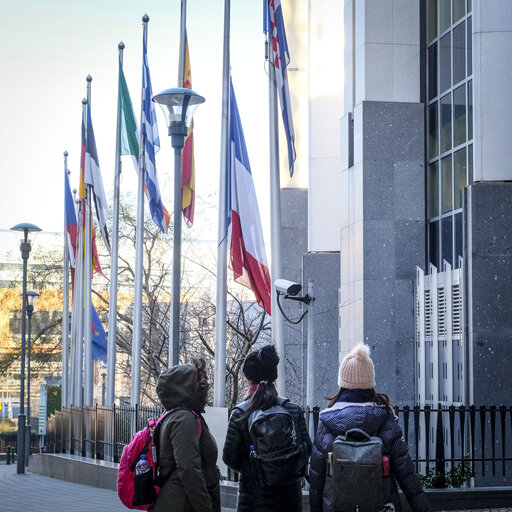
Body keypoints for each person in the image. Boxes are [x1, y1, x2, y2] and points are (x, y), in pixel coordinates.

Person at [309, 344, 430, 512]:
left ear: (342, 382)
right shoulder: (385, 419)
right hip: (383, 506)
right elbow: (406, 474)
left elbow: (317, 480)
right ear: (370, 381)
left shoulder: (327, 422)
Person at [223, 344, 312, 512]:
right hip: (289, 500)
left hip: (253, 501)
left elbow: (230, 458)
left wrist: (255, 468)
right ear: (274, 376)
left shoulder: (241, 413)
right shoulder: (292, 410)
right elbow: (307, 450)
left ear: (248, 378)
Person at [150, 359, 221, 512]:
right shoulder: (184, 419)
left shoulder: (176, 415)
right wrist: (206, 508)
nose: (205, 391)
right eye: (200, 386)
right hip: (183, 504)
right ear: (187, 390)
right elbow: (189, 470)